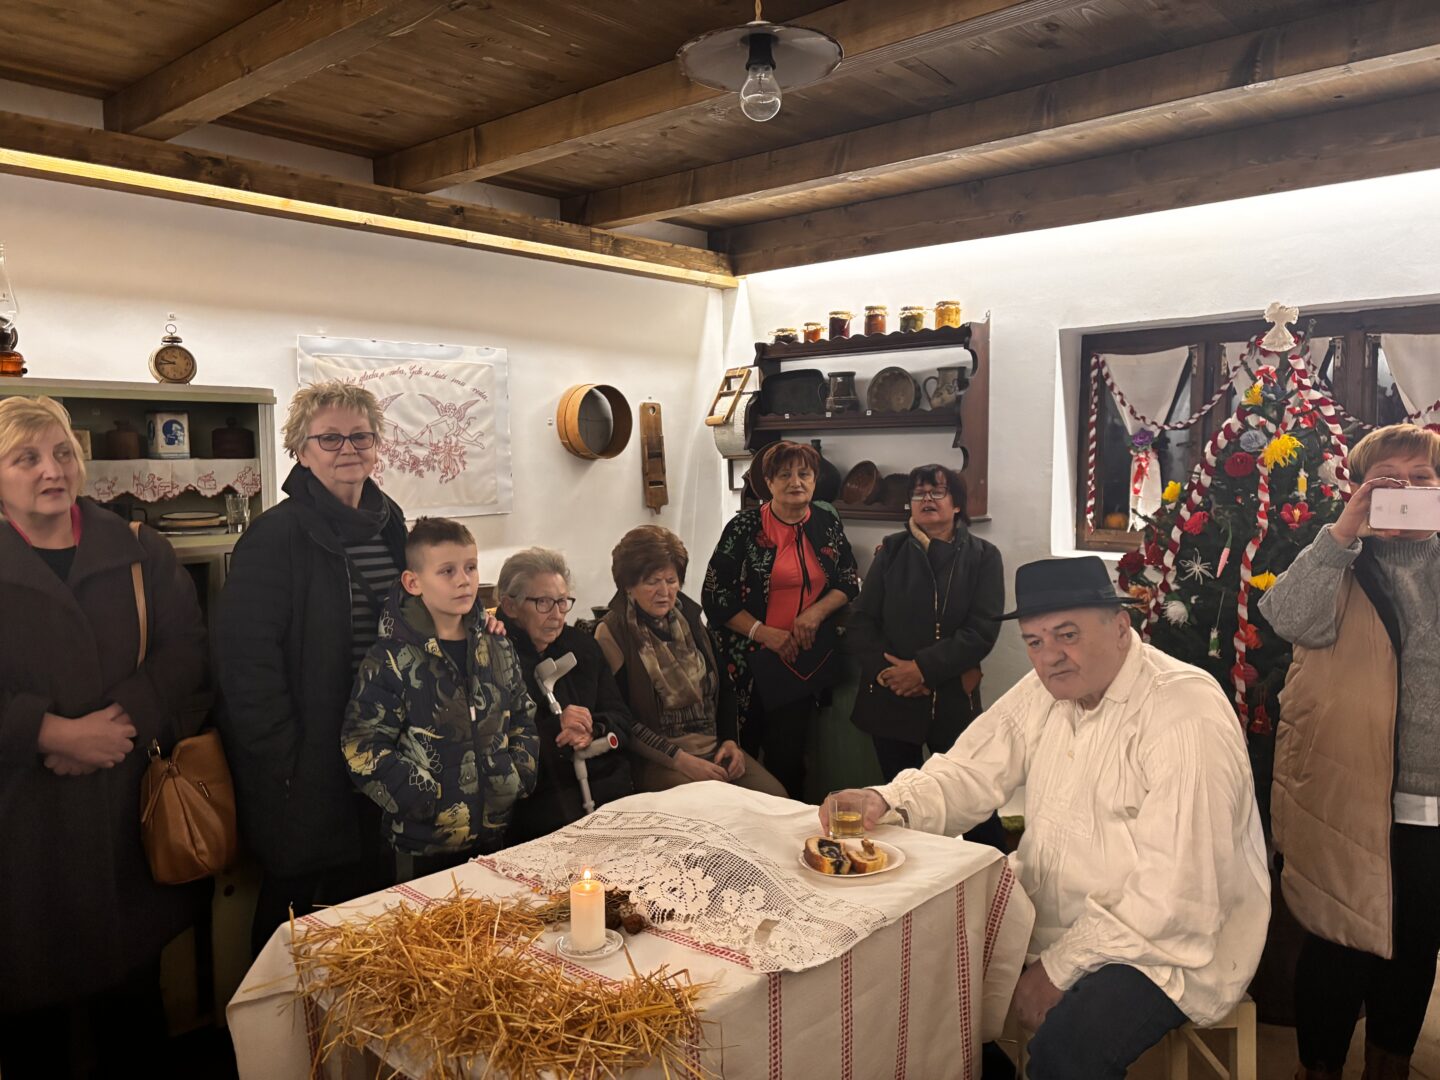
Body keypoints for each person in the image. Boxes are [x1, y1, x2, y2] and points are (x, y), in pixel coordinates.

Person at [822, 556, 1270, 1080]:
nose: (1049, 656)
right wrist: (887, 799)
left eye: (1067, 635)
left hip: (1164, 945)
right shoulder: (1047, 690)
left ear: (1120, 627)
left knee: (1067, 1051)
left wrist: (1058, 968)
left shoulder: (1182, 710)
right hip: (1051, 916)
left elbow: (1179, 895)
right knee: (917, 980)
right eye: (1034, 642)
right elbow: (970, 770)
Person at [0, 396, 206, 1078]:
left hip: (124, 812)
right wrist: (46, 731)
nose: (51, 470)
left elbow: (186, 649)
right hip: (21, 827)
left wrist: (120, 722)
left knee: (133, 1011)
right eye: (26, 458)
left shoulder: (140, 550)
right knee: (31, 1026)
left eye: (63, 453)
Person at [1259, 424, 1440, 1080]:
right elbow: (1286, 618)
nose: (1407, 490)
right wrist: (1342, 533)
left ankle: (1389, 1065)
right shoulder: (1340, 559)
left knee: (1416, 946)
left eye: (1422, 479)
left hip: (1432, 806)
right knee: (1338, 944)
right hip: (1348, 792)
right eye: (1389, 480)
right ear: (1361, 489)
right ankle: (1319, 1069)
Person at [216, 381, 408, 955]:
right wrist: (287, 758)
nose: (348, 449)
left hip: (382, 745)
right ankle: (274, 1013)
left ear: (376, 446)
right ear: (301, 450)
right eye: (330, 438)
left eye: (360, 436)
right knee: (297, 913)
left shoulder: (390, 523)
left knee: (369, 903)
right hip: (310, 759)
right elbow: (244, 664)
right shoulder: (275, 536)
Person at [343, 518, 539, 881]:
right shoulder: (391, 660)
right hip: (420, 846)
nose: (463, 580)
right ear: (413, 582)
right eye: (447, 571)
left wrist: (517, 777)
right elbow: (362, 745)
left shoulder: (497, 646)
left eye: (470, 567)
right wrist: (422, 798)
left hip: (495, 834)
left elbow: (523, 715)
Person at [845, 463, 1005, 848]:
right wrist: (888, 673)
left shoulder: (983, 556)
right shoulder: (892, 550)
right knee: (899, 809)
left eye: (937, 492)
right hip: (890, 696)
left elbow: (981, 631)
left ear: (957, 504)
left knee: (974, 802)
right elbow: (861, 621)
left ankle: (997, 877)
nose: (926, 500)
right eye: (918, 493)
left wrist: (922, 670)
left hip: (951, 698)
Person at [702, 440, 859, 798]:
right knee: (740, 754)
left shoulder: (827, 524)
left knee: (788, 757)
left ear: (815, 481)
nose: (796, 482)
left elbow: (848, 579)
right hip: (745, 660)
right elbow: (715, 596)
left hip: (798, 658)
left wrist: (815, 613)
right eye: (785, 475)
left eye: (804, 474)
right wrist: (763, 633)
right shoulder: (743, 527)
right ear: (769, 483)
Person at [595, 525, 785, 795]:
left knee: (775, 795)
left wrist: (730, 742)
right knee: (708, 803)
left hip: (714, 749)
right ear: (628, 585)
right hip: (658, 759)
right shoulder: (612, 632)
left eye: (671, 580)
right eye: (652, 582)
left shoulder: (692, 620)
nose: (664, 591)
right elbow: (623, 719)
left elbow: (725, 688)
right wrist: (680, 760)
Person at [496, 547, 669, 843]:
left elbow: (621, 719)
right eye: (543, 603)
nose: (557, 615)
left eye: (563, 602)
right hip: (543, 803)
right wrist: (558, 730)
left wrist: (593, 729)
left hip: (608, 789)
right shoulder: (492, 658)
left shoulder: (582, 646)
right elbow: (495, 745)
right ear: (510, 606)